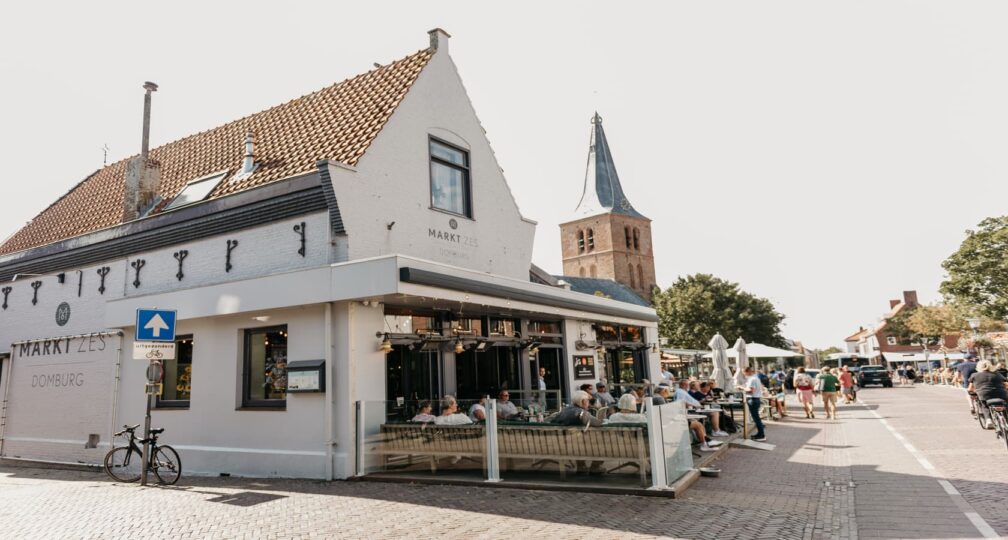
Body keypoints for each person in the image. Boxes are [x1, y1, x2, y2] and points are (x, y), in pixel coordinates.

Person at [553, 390, 605, 473]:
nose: (588, 403)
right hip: (577, 446)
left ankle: (581, 466)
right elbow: (598, 422)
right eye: (587, 400)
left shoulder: (563, 411)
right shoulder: (581, 413)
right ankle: (595, 467)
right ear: (583, 401)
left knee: (577, 441)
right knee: (602, 445)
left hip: (562, 444)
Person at [968, 360, 1008, 429]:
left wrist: (972, 393)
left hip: (984, 394)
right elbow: (1006, 384)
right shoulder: (997, 374)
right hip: (1000, 393)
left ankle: (988, 419)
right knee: (1005, 404)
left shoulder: (974, 375)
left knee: (984, 405)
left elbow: (970, 389)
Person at [737, 367, 766, 442]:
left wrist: (741, 388)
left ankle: (761, 435)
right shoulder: (755, 378)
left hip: (753, 399)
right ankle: (760, 434)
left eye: (744, 372)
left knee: (756, 418)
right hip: (755, 399)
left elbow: (751, 391)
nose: (743, 374)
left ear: (748, 372)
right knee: (756, 418)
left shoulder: (752, 379)